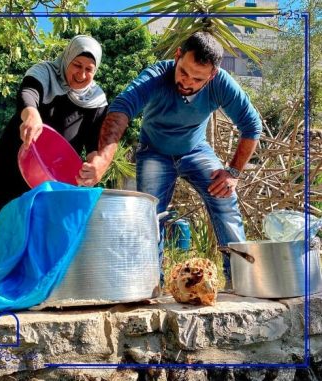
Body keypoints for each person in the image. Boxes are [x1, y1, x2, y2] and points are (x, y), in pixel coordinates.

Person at [77, 32, 262, 287]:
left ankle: (241, 279)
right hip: (154, 150)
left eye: (198, 79)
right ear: (177, 57)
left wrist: (233, 173)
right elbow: (121, 108)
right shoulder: (157, 76)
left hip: (196, 149)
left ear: (212, 75)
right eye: (184, 72)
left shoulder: (222, 84)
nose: (187, 82)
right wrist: (103, 159)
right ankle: (152, 284)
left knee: (225, 197)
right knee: (150, 216)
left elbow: (252, 126)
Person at [0, 35, 108, 276]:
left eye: (89, 69)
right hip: (19, 153)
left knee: (41, 219)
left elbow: (94, 142)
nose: (82, 74)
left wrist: (95, 163)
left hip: (55, 171)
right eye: (77, 65)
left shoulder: (97, 100)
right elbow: (28, 93)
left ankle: (26, 273)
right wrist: (31, 112)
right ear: (67, 59)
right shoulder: (45, 72)